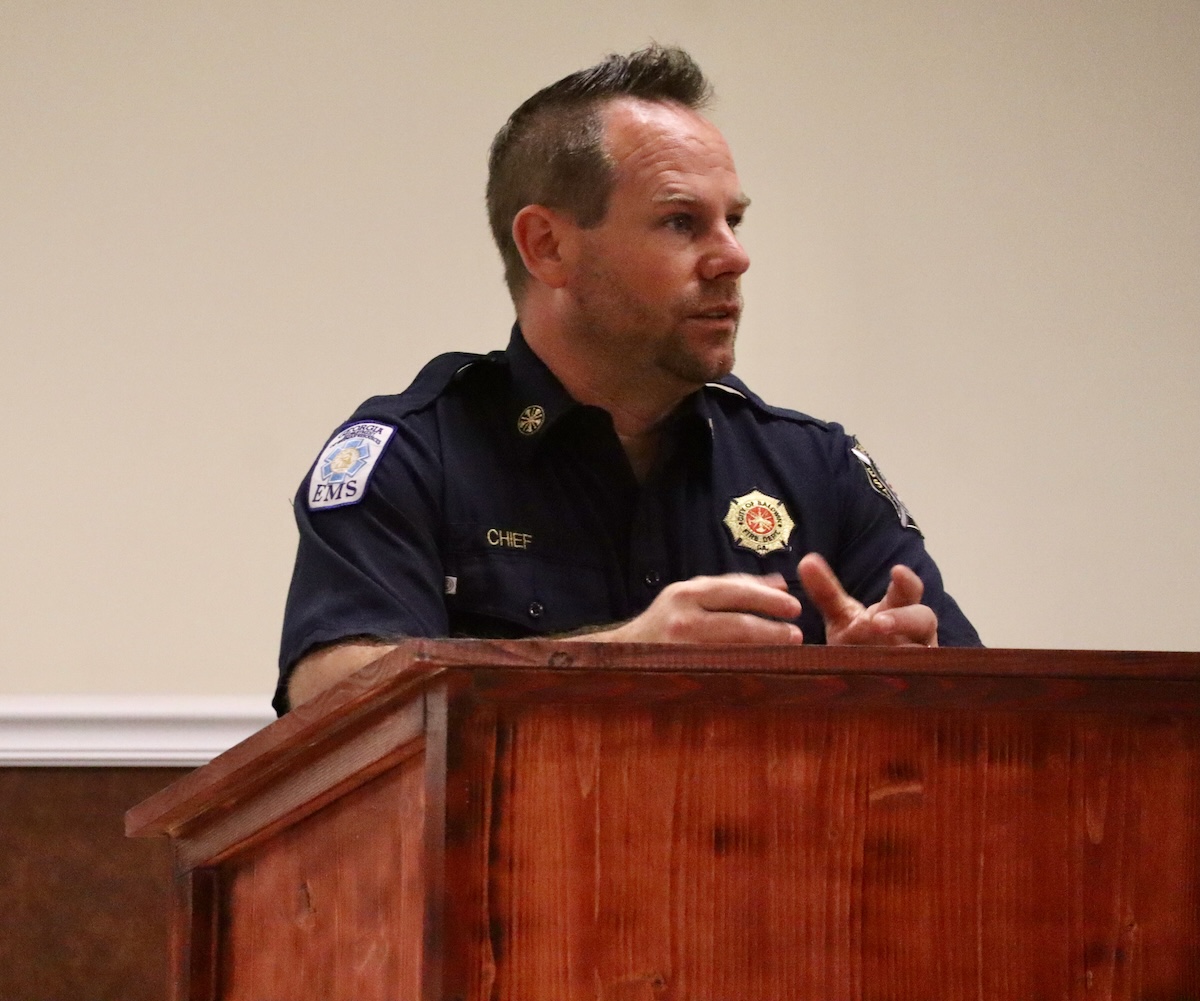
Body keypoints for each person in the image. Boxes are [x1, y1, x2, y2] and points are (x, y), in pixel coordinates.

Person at [274, 44, 981, 715]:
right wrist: (617, 659)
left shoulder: (815, 467)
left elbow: (977, 694)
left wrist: (892, 686)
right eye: (681, 222)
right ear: (547, 246)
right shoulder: (414, 454)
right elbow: (327, 692)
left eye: (733, 220)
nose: (734, 257)